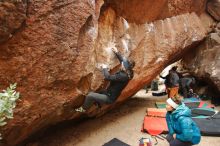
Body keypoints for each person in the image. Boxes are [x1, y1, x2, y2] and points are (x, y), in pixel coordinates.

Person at [75, 47, 135, 112]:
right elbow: (122, 60)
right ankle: (98, 104)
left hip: (109, 98)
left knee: (90, 95)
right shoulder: (129, 72)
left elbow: (107, 77)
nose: (122, 64)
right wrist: (116, 52)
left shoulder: (123, 76)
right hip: (108, 93)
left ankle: (83, 109)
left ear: (126, 67)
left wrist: (104, 68)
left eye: (124, 64)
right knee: (96, 92)